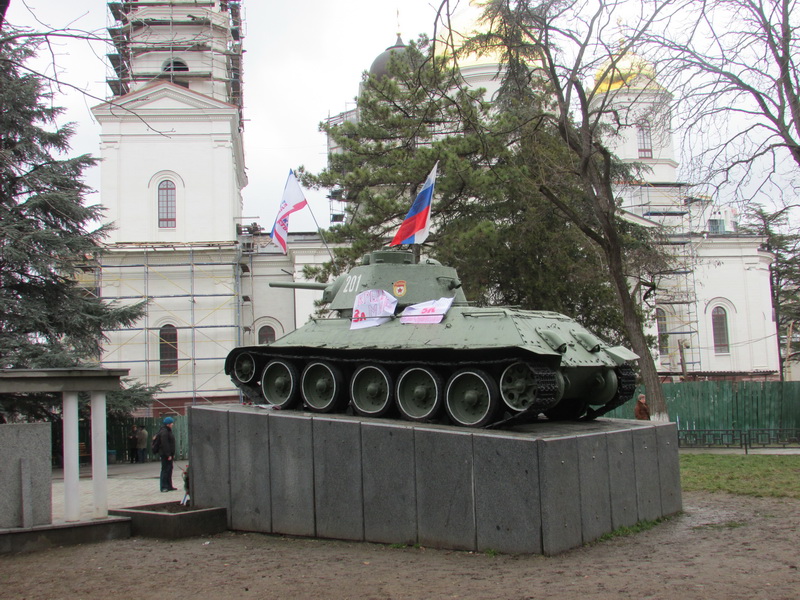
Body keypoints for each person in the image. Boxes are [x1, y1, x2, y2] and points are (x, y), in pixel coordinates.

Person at [156, 416, 178, 492]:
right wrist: (168, 455)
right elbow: (165, 444)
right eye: (172, 423)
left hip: (169, 454)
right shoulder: (164, 432)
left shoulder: (168, 431)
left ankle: (169, 485)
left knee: (169, 469)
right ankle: (164, 486)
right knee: (165, 470)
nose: (173, 424)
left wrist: (171, 454)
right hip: (165, 454)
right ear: (168, 424)